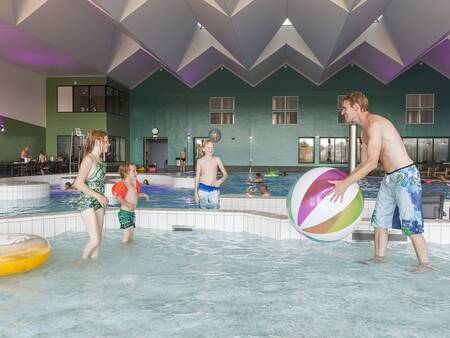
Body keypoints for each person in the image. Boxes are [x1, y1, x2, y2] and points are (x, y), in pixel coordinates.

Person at [328, 92, 429, 269]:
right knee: (379, 222)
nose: (342, 112)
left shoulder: (375, 124)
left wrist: (345, 184)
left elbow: (372, 163)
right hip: (389, 178)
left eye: (345, 108)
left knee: (411, 226)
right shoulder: (364, 132)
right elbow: (363, 164)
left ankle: (425, 266)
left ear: (356, 107)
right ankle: (379, 259)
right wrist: (347, 182)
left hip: (406, 176)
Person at [73, 130, 109, 260]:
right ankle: (80, 264)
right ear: (98, 141)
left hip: (98, 203)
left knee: (98, 242)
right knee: (95, 240)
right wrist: (99, 196)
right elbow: (78, 183)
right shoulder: (88, 159)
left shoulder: (100, 160)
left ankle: (93, 269)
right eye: (106, 141)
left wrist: (102, 198)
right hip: (87, 202)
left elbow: (98, 184)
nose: (109, 144)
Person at [112, 163, 149, 243]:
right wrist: (128, 204)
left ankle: (129, 251)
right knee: (126, 236)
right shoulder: (123, 184)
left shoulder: (134, 183)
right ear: (126, 173)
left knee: (131, 235)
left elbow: (135, 195)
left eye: (136, 170)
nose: (136, 173)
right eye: (134, 171)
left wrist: (143, 195)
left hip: (131, 213)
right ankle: (123, 251)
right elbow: (119, 198)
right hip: (124, 213)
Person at [194, 139, 228, 209]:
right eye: (208, 147)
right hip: (203, 189)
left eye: (212, 147)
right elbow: (197, 177)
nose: (210, 149)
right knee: (203, 208)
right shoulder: (200, 161)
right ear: (203, 149)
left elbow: (225, 174)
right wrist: (195, 193)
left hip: (214, 189)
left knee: (215, 208)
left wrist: (220, 181)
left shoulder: (217, 159)